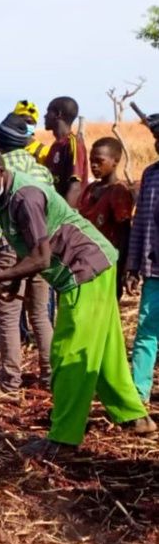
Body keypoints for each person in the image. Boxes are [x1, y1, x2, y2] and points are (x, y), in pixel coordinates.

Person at [0, 147, 155, 458]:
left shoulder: (25, 197)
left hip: (85, 269)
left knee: (67, 354)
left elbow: (41, 257)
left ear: (0, 173)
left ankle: (63, 437)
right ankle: (135, 417)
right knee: (104, 354)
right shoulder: (3, 198)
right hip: (90, 265)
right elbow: (26, 244)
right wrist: (12, 283)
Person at [0, 114, 55, 398]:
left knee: (7, 316)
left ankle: (9, 383)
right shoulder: (41, 170)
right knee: (41, 315)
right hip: (42, 250)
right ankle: (49, 375)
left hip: (10, 252)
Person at [125, 112, 159, 404]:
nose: (158, 144)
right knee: (147, 331)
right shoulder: (150, 174)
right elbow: (140, 226)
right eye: (156, 138)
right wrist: (132, 266)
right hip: (153, 270)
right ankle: (138, 395)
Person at [77, 137, 134, 299]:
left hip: (108, 263)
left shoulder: (118, 192)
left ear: (115, 162)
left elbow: (124, 234)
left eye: (99, 161)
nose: (94, 165)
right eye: (91, 161)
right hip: (86, 262)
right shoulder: (90, 189)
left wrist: (121, 270)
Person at [43, 96, 88, 207]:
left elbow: (75, 187)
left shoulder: (73, 144)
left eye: (48, 112)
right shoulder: (55, 146)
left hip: (67, 215)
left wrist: (65, 219)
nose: (45, 116)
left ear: (58, 114)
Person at [12, 100, 50, 165]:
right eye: (20, 121)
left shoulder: (44, 152)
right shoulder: (5, 148)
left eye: (29, 122)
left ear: (34, 125)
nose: (23, 124)